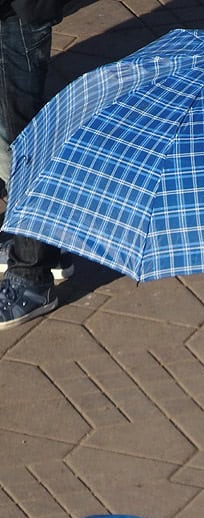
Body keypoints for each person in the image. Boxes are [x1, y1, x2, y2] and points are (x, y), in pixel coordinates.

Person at [0, 0, 72, 330]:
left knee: (24, 138)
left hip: (19, 13)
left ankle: (32, 274)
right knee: (10, 129)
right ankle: (44, 244)